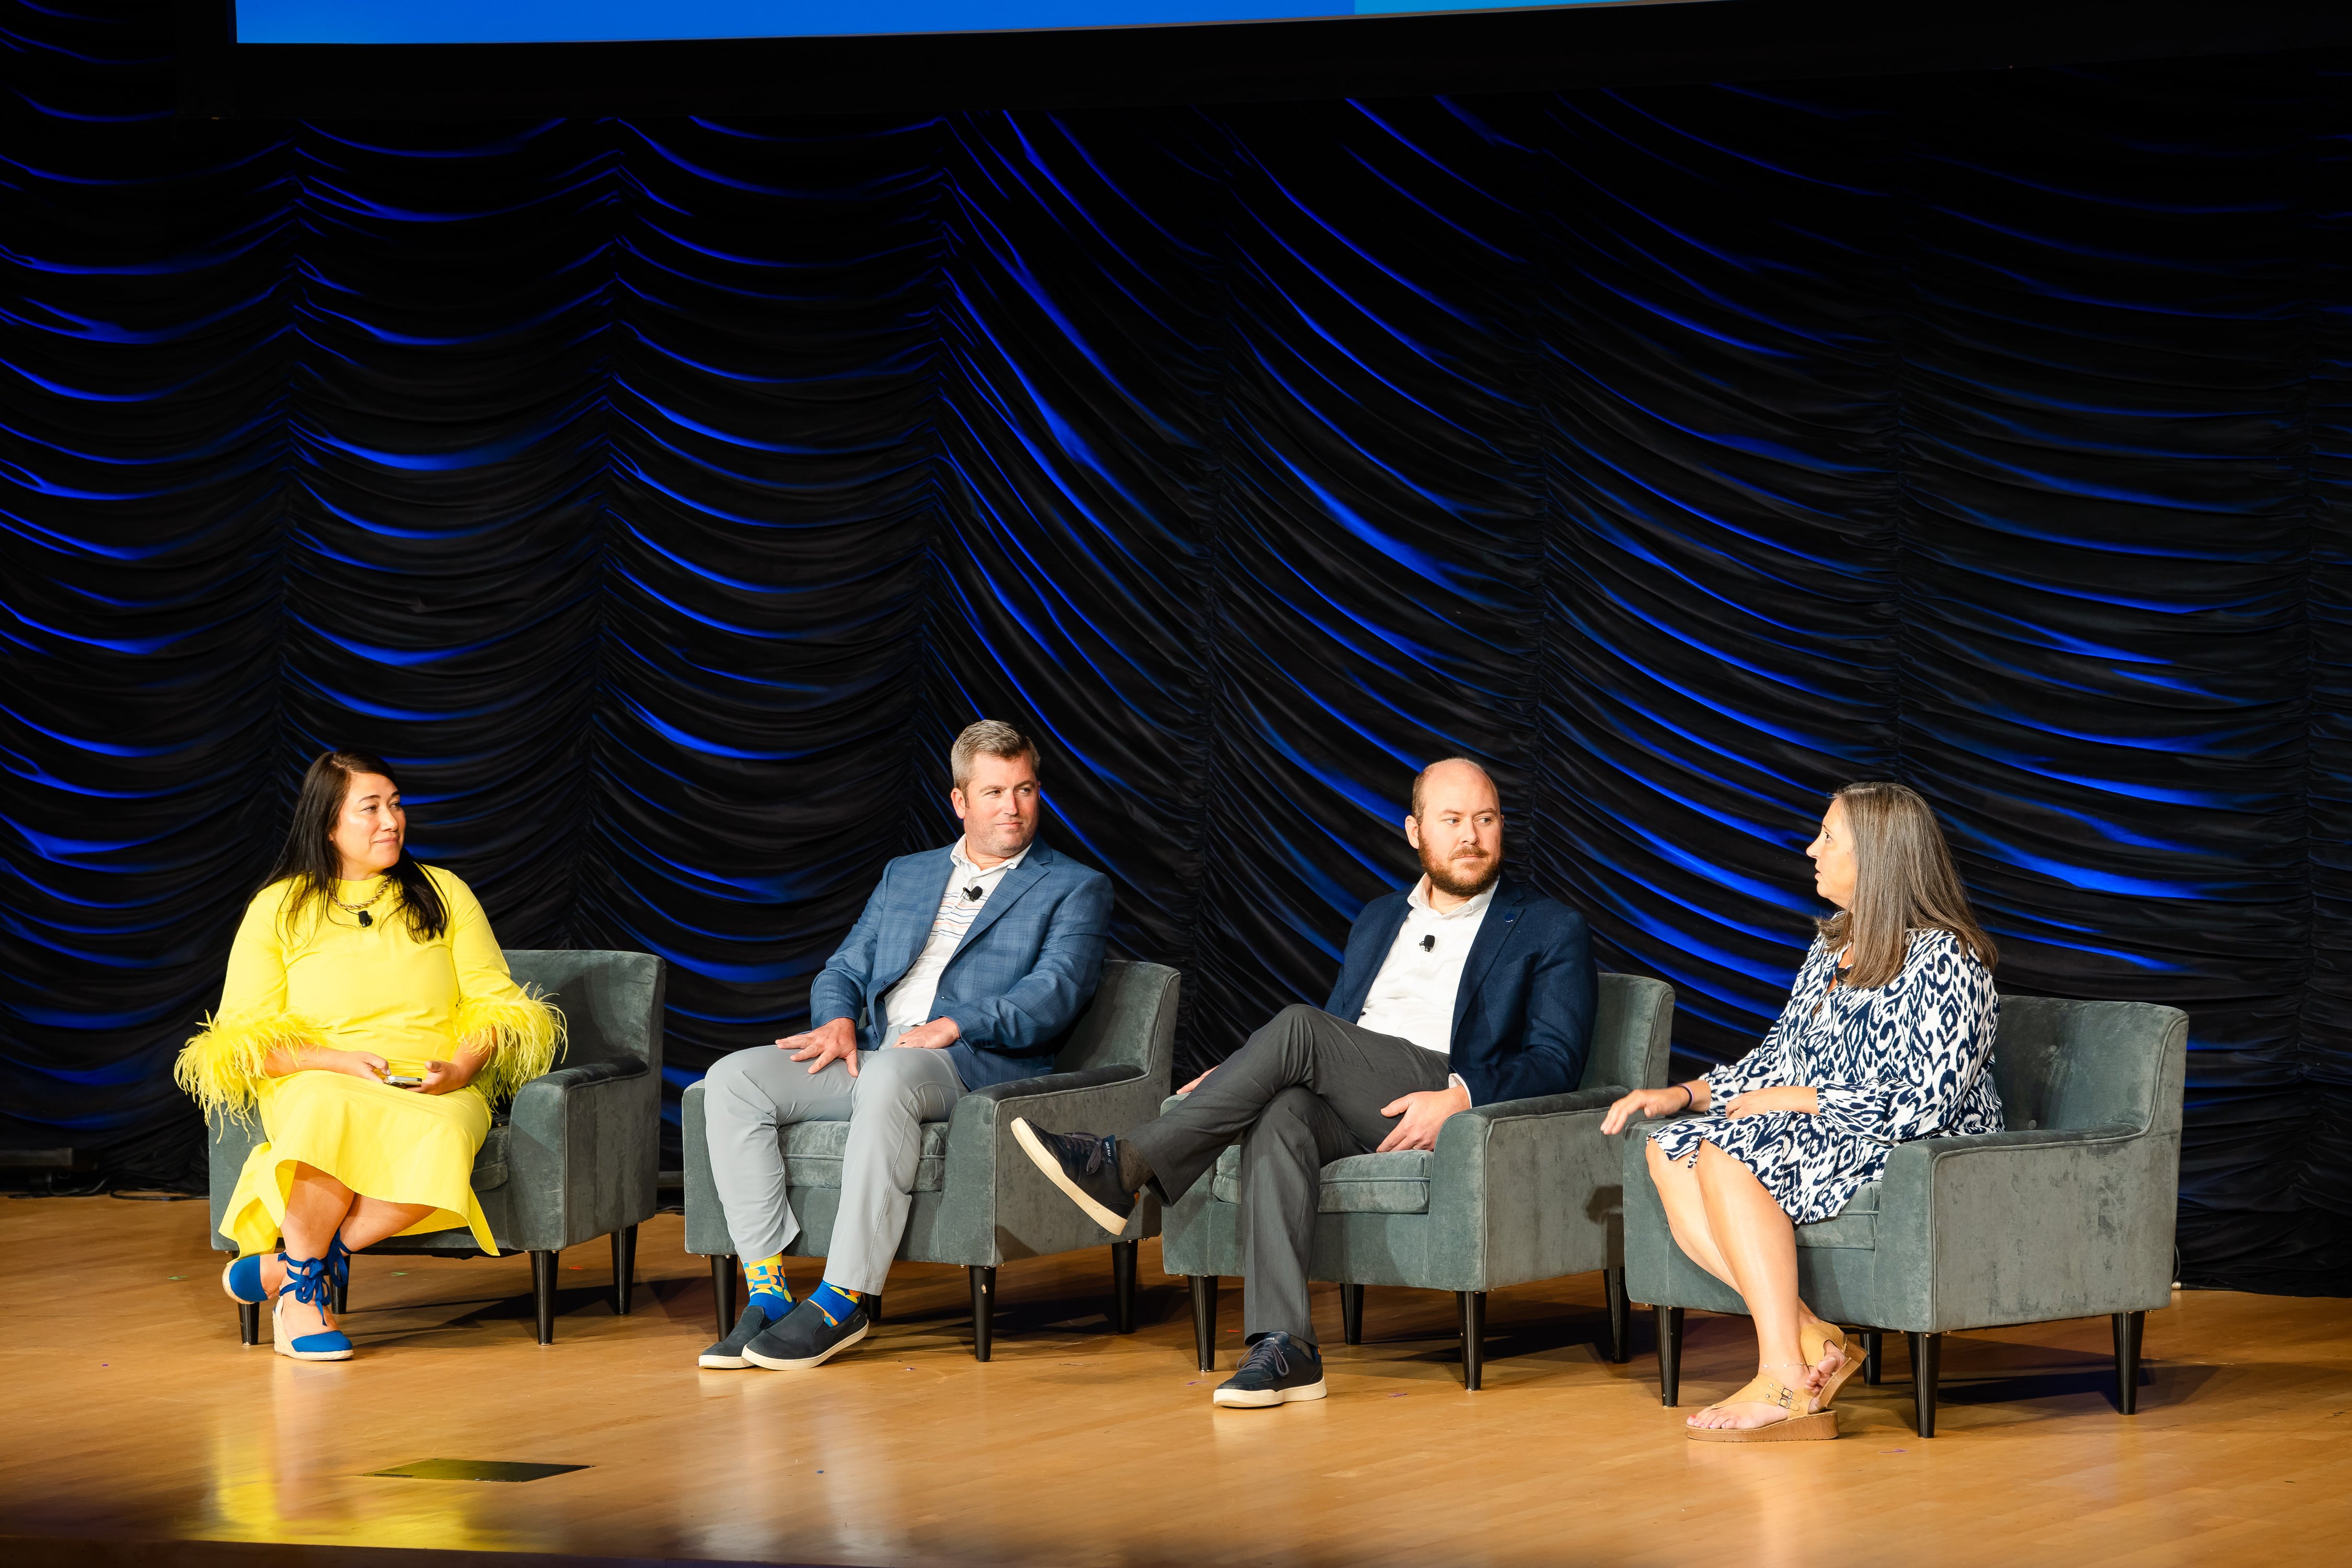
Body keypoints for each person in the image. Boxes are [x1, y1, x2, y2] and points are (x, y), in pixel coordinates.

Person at [1015, 757, 1595, 1408]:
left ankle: (1125, 1163)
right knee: (1282, 1109)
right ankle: (1286, 1347)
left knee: (1297, 1028)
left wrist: (1461, 1095)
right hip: (1359, 1095)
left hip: (1442, 1091)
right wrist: (1244, 1075)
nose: (1472, 836)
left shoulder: (1548, 926)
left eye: (1486, 820)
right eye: (1453, 820)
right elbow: (1338, 1034)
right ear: (1415, 831)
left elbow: (1556, 1060)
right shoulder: (1379, 919)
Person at [697, 719, 1112, 1373]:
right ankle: (770, 1294)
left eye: (1026, 790)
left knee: (890, 1078)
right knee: (732, 1078)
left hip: (969, 1063)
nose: (1013, 807)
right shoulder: (908, 875)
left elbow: (1053, 994)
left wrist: (957, 1023)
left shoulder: (1074, 886)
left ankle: (845, 1298)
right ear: (960, 801)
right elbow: (844, 968)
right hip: (875, 1051)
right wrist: (835, 1019)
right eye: (996, 792)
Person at [1599, 780, 2003, 1442]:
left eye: (1830, 837)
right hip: (1828, 1130)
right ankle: (1814, 1338)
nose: (1812, 849)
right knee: (1664, 1146)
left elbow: (1925, 1102)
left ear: (1877, 856)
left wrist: (1802, 1099)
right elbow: (1776, 1060)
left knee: (1727, 1155)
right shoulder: (1830, 951)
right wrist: (1684, 1095)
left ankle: (1785, 1376)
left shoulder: (1950, 958)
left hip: (1913, 1145)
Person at [176, 750, 564, 1362]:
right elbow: (241, 1042)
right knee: (325, 1114)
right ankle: (303, 1302)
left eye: (396, 804)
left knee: (441, 1142)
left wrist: (460, 1069)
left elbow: (497, 1006)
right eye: (371, 808)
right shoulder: (277, 908)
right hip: (318, 1075)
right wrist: (335, 1061)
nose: (392, 821)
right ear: (327, 824)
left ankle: (287, 1270)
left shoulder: (443, 893)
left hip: (429, 1081)